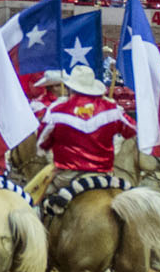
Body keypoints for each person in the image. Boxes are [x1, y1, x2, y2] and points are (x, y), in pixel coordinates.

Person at [34, 64, 133, 197]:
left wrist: (43, 151)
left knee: (37, 197)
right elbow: (133, 131)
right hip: (102, 174)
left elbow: (42, 142)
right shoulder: (112, 110)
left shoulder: (56, 110)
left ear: (70, 88)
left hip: (66, 175)